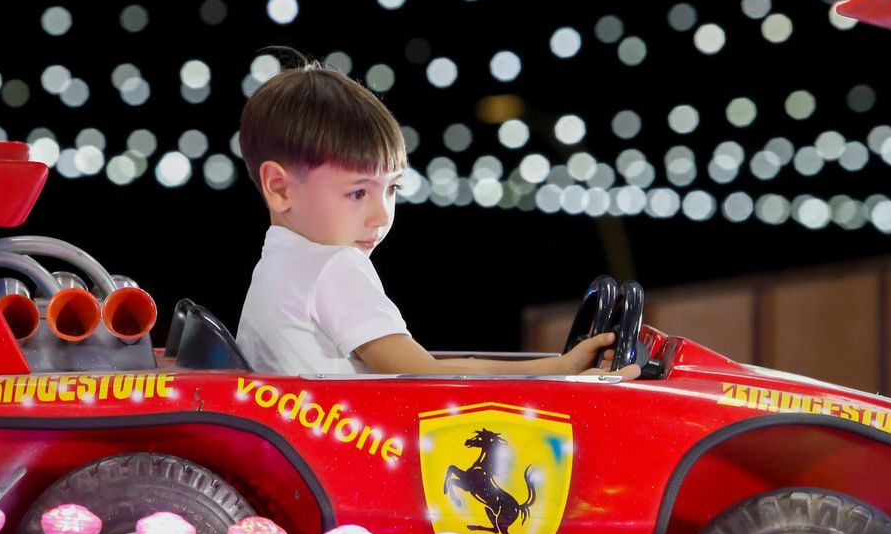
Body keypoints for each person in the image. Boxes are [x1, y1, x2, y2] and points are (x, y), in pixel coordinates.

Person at [235, 57, 637, 378]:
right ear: (280, 187)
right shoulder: (334, 266)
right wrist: (563, 373)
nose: (380, 216)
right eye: (357, 192)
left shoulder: (276, 266)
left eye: (392, 189)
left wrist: (558, 366)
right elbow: (425, 376)